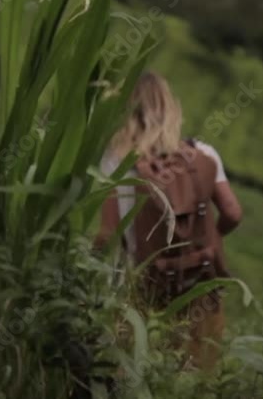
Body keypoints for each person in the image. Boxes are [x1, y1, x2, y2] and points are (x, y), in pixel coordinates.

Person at [94, 72, 243, 368]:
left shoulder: (115, 161)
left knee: (142, 378)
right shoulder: (202, 153)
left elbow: (107, 235)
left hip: (141, 295)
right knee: (197, 380)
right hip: (200, 288)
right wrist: (199, 243)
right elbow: (233, 213)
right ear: (170, 108)